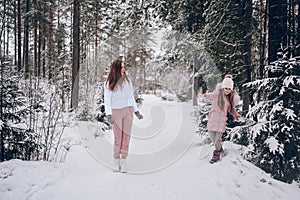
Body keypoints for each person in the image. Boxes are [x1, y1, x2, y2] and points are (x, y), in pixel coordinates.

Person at [104, 59, 143, 172]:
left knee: (126, 138)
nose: (124, 69)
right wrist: (109, 115)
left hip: (128, 111)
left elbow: (130, 97)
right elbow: (107, 100)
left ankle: (123, 161)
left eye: (124, 67)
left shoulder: (127, 81)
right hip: (115, 112)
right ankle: (116, 161)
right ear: (116, 69)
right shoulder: (109, 83)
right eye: (121, 67)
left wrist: (136, 112)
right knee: (118, 138)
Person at [202, 74, 240, 163]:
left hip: (221, 121)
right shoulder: (217, 94)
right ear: (223, 87)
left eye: (229, 89)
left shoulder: (230, 99)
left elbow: (231, 110)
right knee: (211, 136)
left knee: (217, 139)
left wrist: (235, 115)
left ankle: (216, 154)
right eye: (226, 88)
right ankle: (220, 149)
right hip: (213, 119)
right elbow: (210, 95)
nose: (227, 90)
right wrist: (205, 95)